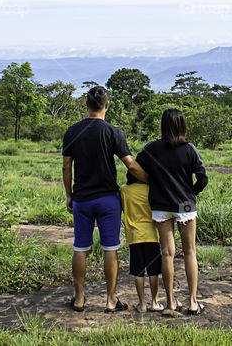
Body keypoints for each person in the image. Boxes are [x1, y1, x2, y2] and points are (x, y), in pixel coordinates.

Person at [62, 85, 147, 313]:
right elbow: (130, 164)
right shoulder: (113, 132)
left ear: (86, 105)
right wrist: (150, 181)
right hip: (109, 199)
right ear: (106, 105)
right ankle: (110, 300)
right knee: (111, 249)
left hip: (82, 198)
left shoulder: (72, 131)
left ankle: (79, 298)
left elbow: (66, 166)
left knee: (80, 247)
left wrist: (69, 194)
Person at [135, 108, 208, 315]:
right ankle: (193, 302)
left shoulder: (151, 148)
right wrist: (190, 193)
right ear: (182, 125)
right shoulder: (190, 149)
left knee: (167, 253)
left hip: (160, 205)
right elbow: (203, 178)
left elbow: (134, 169)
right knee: (190, 251)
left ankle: (170, 302)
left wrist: (153, 182)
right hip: (184, 205)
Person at [119, 172, 164, 313]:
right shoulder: (152, 189)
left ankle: (142, 303)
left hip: (134, 235)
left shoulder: (125, 190)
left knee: (138, 271)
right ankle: (155, 302)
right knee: (153, 271)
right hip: (152, 234)